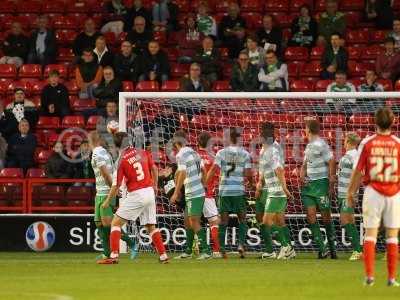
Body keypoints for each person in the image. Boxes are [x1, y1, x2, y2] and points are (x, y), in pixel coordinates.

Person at [347, 107, 400, 287]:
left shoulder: (368, 143)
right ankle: (391, 278)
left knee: (370, 234)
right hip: (393, 193)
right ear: (393, 122)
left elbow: (358, 171)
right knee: (392, 236)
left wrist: (350, 192)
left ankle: (369, 277)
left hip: (373, 192)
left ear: (374, 122)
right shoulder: (398, 143)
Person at [98, 132, 166, 263]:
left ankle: (113, 256)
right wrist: (155, 186)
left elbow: (116, 185)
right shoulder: (142, 152)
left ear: (116, 145)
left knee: (115, 223)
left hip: (137, 194)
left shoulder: (121, 160)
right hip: (149, 191)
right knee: (151, 225)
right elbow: (155, 169)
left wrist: (107, 201)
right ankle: (163, 256)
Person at [206, 128, 253, 259]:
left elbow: (213, 170)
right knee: (242, 218)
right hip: (238, 191)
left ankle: (222, 249)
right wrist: (251, 183)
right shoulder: (245, 154)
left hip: (225, 191)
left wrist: (205, 183)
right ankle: (241, 245)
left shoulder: (221, 153)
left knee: (224, 220)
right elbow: (249, 173)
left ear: (229, 139)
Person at [174, 132, 221, 259]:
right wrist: (204, 185)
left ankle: (207, 251)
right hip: (199, 191)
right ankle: (189, 251)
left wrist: (176, 191)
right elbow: (205, 171)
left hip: (195, 192)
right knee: (190, 221)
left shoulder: (181, 154)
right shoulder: (195, 153)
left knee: (193, 220)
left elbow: (182, 172)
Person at [255, 122, 296, 260]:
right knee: (276, 220)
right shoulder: (266, 150)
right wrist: (260, 181)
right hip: (273, 189)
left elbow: (279, 169)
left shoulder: (273, 150)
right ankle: (287, 248)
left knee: (267, 221)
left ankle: (286, 247)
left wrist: (284, 188)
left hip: (276, 190)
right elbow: (265, 168)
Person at [300, 119, 336, 259]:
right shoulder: (308, 146)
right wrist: (302, 175)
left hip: (321, 184)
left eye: (305, 128)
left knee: (326, 217)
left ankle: (332, 248)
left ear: (308, 130)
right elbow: (304, 164)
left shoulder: (321, 144)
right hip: (309, 186)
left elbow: (332, 160)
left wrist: (331, 180)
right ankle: (323, 248)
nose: (304, 130)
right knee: (311, 216)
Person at [88, 131, 114, 261]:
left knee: (107, 224)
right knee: (98, 223)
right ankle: (106, 252)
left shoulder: (97, 153)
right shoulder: (104, 152)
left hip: (105, 191)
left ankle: (130, 244)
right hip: (100, 192)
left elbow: (105, 173)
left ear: (91, 141)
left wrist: (113, 190)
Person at [337, 133, 362, 261]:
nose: (343, 143)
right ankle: (359, 250)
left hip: (347, 193)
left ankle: (358, 250)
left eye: (345, 140)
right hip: (342, 193)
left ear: (350, 142)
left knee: (345, 220)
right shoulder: (349, 155)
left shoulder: (355, 155)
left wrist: (352, 192)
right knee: (348, 220)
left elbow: (358, 173)